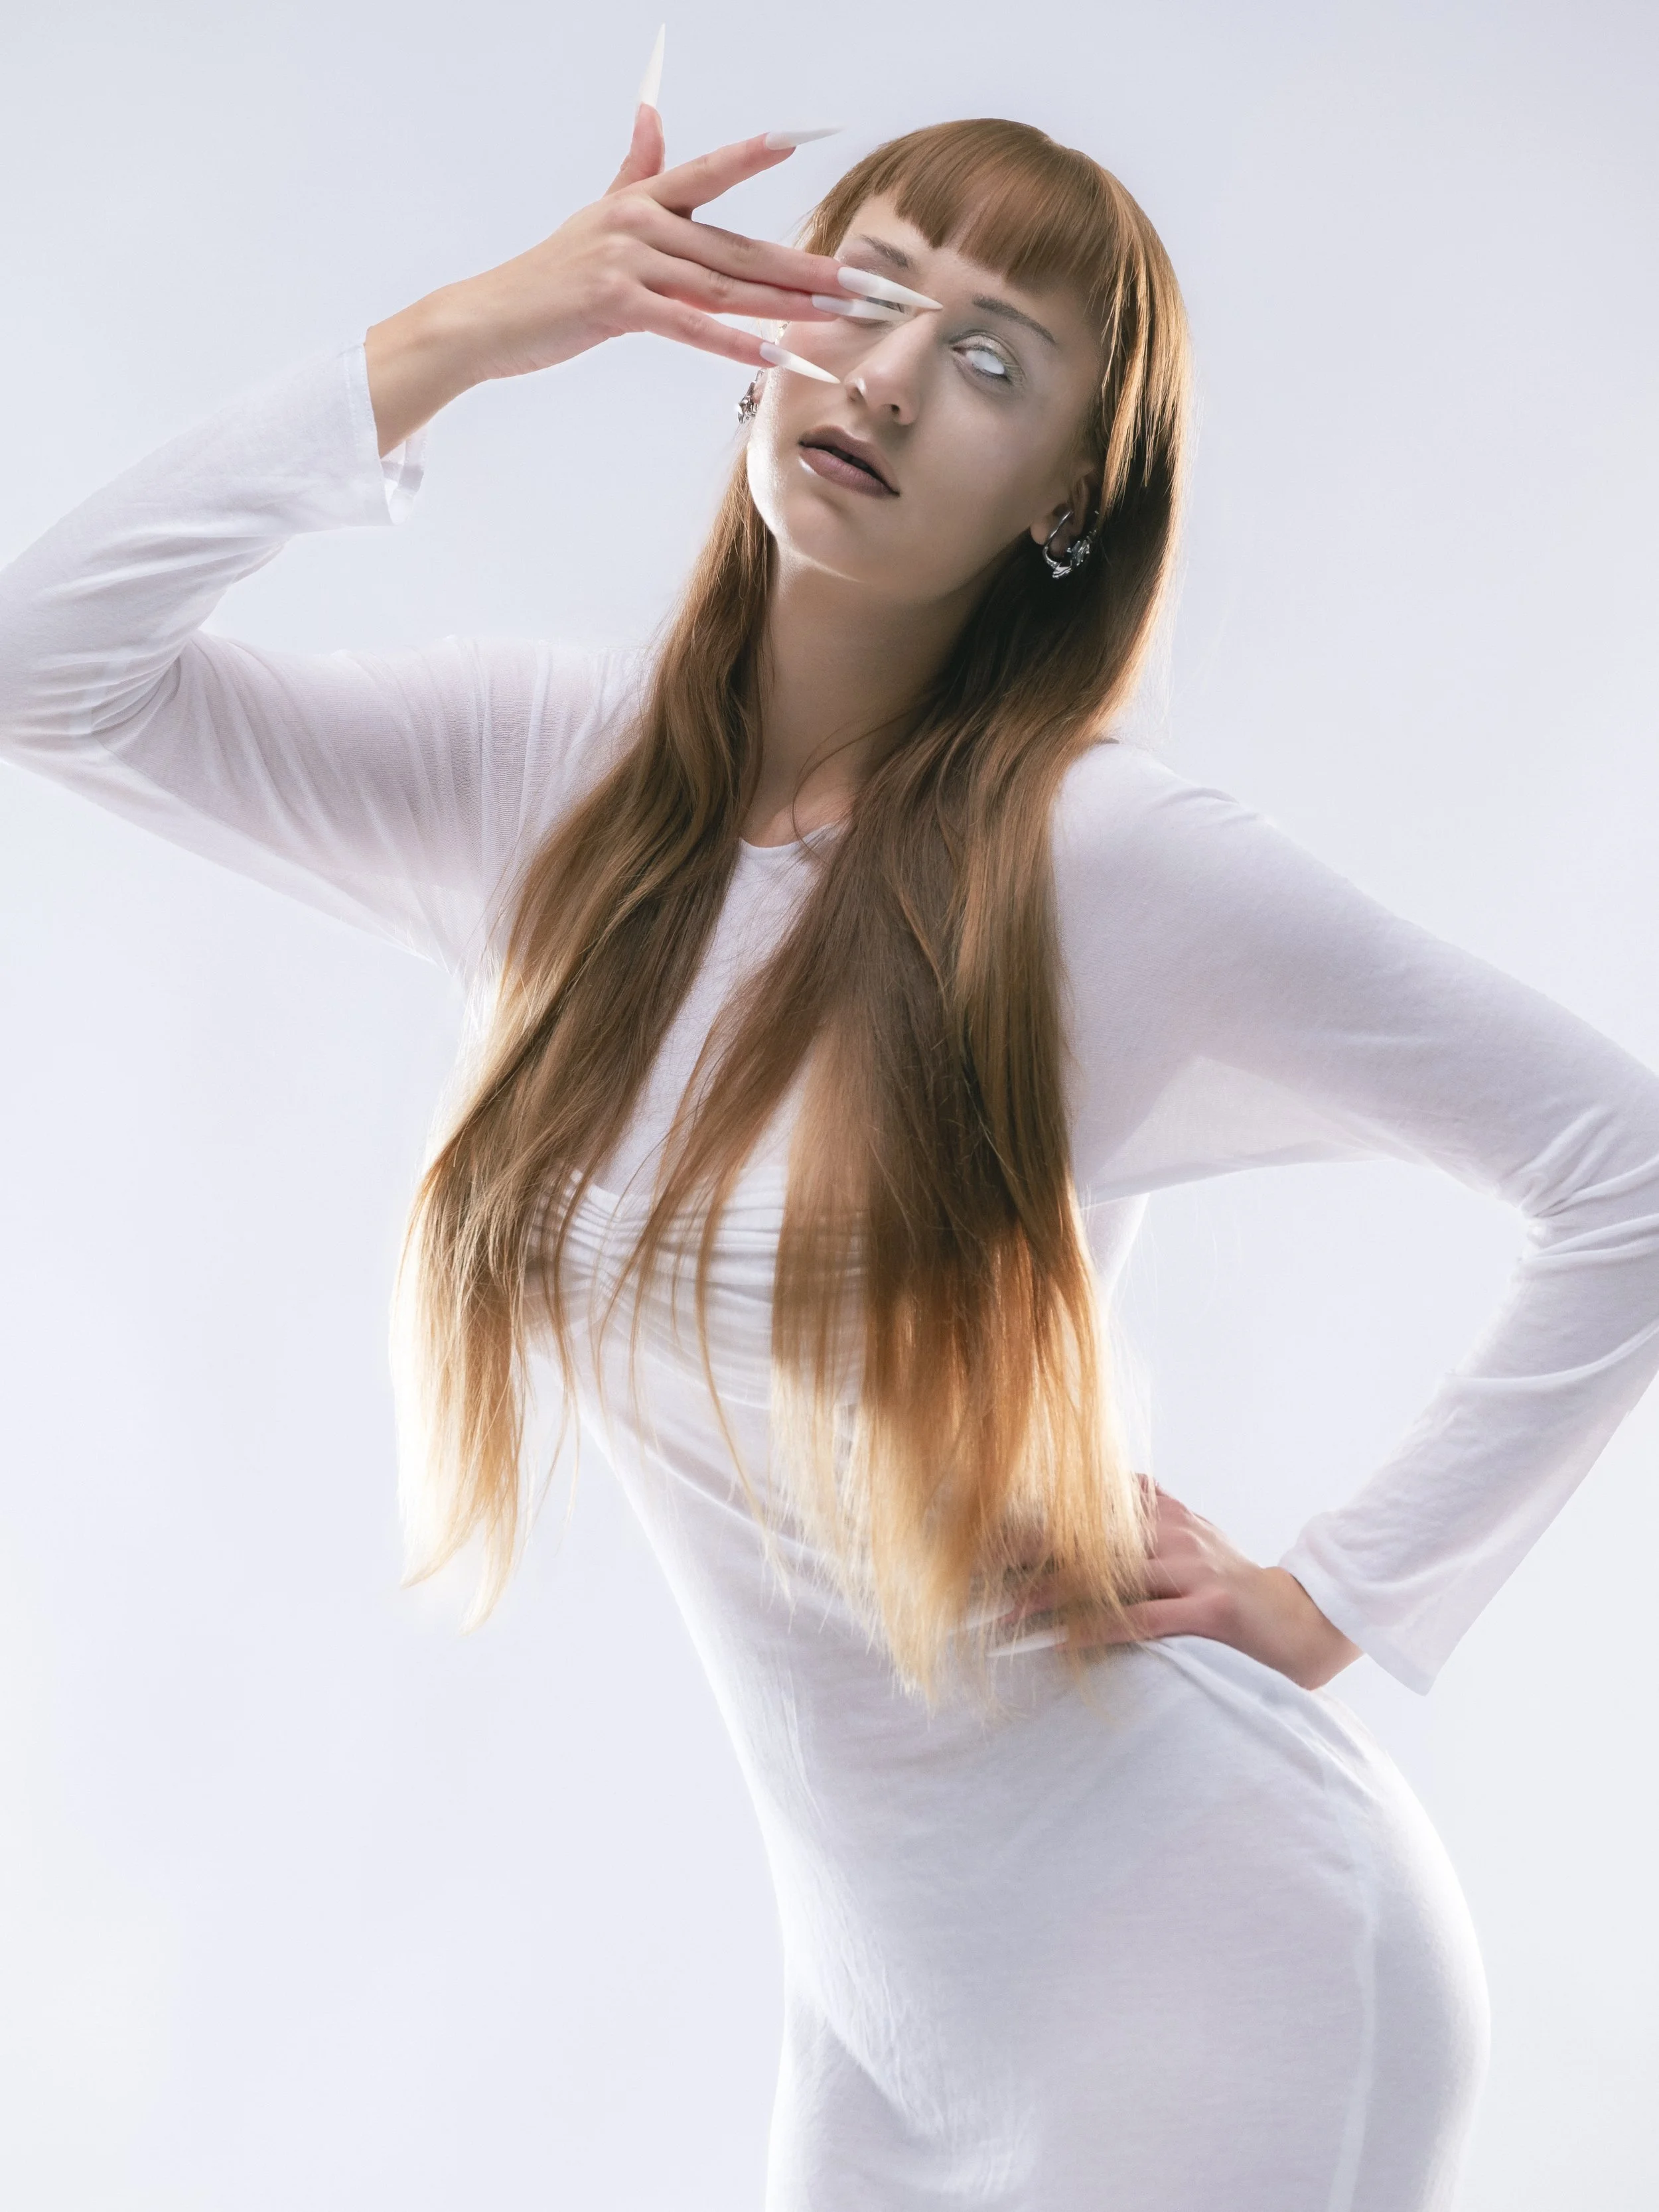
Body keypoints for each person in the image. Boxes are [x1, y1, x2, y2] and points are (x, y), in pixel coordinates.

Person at [3, 104, 1658, 2212]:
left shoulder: (1090, 868)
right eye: (861, 290)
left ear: (1067, 496)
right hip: (874, 2010)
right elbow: (44, 667)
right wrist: (475, 329)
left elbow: (1625, 1168)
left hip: (1201, 1957)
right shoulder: (547, 783)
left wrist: (1336, 1595)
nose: (882, 377)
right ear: (756, 323)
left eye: (988, 358)